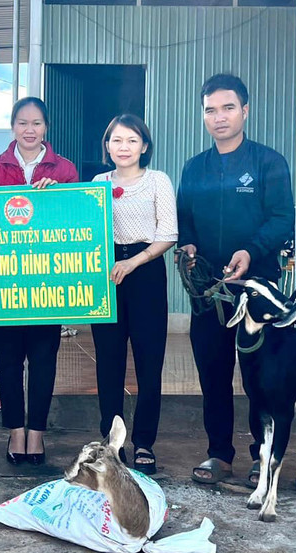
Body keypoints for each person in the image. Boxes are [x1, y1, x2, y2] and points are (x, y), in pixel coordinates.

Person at [176, 74, 294, 485]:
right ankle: (218, 455)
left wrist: (251, 251)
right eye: (211, 109)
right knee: (213, 375)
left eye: (228, 108)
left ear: (245, 110)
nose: (219, 117)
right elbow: (184, 223)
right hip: (209, 295)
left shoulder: (268, 163)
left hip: (257, 292)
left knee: (260, 377)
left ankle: (263, 457)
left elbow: (282, 219)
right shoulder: (194, 169)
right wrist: (188, 249)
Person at [0, 97, 79, 466]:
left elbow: (75, 221)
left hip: (47, 283)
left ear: (46, 128)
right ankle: (14, 432)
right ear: (12, 127)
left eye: (36, 123)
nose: (29, 130)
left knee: (43, 359)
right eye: (22, 123)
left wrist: (59, 197)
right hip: (4, 283)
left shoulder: (65, 169)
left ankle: (35, 433)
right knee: (7, 360)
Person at [91, 114, 177, 475]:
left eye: (131, 140)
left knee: (148, 361)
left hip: (146, 273)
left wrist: (134, 262)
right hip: (105, 273)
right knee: (108, 363)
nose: (123, 147)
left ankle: (144, 442)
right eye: (116, 140)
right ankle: (111, 443)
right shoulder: (96, 183)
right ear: (107, 145)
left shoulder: (158, 181)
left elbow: (168, 234)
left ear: (144, 146)